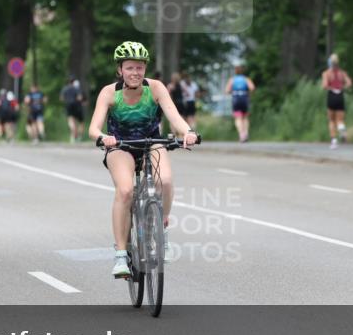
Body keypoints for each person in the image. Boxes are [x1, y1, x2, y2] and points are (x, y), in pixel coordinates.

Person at [87, 41, 198, 278]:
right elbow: (93, 129)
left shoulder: (156, 88)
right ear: (120, 70)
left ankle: (162, 227)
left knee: (165, 181)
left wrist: (187, 132)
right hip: (120, 145)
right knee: (126, 191)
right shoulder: (109, 92)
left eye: (139, 67)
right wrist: (104, 137)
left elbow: (174, 117)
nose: (135, 72)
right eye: (130, 68)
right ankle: (120, 255)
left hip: (151, 141)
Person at [321, 53, 353, 149]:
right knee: (340, 119)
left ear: (330, 62)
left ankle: (334, 140)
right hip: (340, 95)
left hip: (331, 96)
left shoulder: (326, 73)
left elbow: (324, 85)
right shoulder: (342, 73)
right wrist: (342, 87)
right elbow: (349, 83)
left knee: (331, 120)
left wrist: (331, 87)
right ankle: (341, 129)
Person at [224, 65, 255, 143]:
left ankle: (241, 135)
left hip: (236, 99)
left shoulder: (232, 80)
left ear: (235, 72)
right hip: (244, 98)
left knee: (238, 118)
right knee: (245, 117)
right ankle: (246, 134)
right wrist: (248, 94)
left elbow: (227, 90)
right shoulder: (246, 79)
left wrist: (232, 92)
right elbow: (252, 88)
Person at [61, 76, 85, 143]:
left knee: (71, 121)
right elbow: (79, 98)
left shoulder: (65, 89)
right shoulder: (76, 88)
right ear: (73, 82)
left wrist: (67, 100)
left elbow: (62, 98)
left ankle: (73, 135)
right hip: (76, 106)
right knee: (79, 122)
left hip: (68, 105)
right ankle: (77, 136)